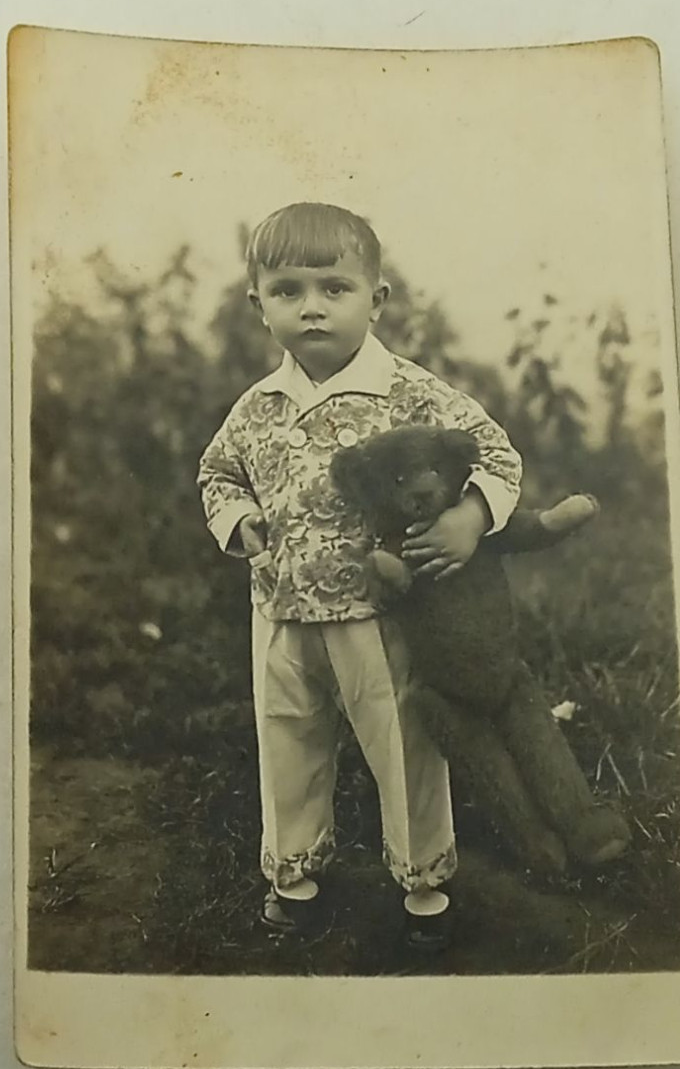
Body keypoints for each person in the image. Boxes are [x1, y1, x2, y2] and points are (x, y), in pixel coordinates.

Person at [197, 201, 525, 947]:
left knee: (402, 743)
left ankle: (422, 882)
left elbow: (498, 455)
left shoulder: (410, 393)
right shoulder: (257, 408)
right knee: (289, 737)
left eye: (333, 288)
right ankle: (295, 873)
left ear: (376, 298)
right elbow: (218, 473)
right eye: (288, 291)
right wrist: (236, 517)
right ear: (258, 304)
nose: (311, 307)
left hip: (379, 611)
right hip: (280, 609)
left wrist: (468, 517)